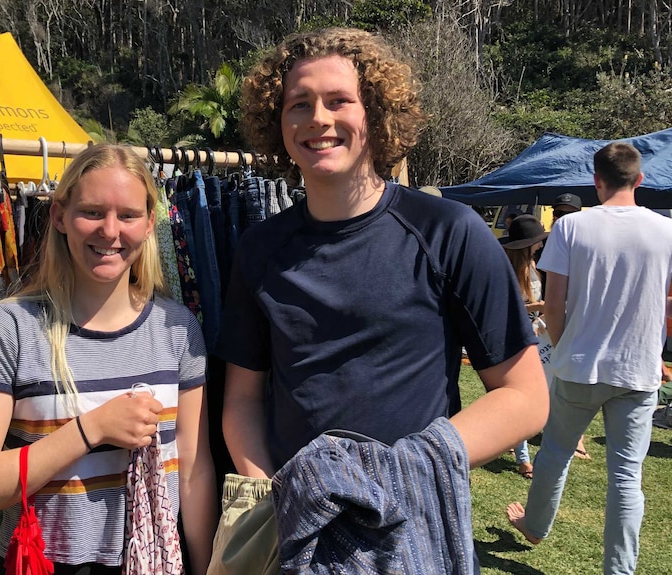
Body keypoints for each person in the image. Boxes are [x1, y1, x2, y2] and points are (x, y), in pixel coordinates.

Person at [215, 26, 548, 568]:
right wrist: (271, 495)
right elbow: (243, 402)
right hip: (299, 526)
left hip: (412, 524)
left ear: (375, 112)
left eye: (338, 101)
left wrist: (399, 471)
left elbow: (526, 397)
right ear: (278, 124)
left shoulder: (449, 231)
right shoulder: (259, 250)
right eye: (298, 103)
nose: (318, 118)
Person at [0, 144, 217, 575]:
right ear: (59, 217)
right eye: (92, 211)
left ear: (150, 224)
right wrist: (91, 430)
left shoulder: (178, 329)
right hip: (44, 564)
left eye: (127, 215)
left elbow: (193, 471)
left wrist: (205, 568)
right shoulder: (10, 328)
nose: (110, 231)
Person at [506, 141, 672, 575]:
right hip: (637, 370)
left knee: (556, 453)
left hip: (579, 363)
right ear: (639, 180)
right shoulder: (666, 231)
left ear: (595, 181)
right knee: (625, 477)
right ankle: (620, 570)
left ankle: (535, 524)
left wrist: (560, 348)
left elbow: (554, 305)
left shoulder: (571, 228)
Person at [501, 214, 549, 479]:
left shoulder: (532, 265)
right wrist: (538, 308)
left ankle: (510, 439)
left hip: (537, 333)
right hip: (520, 335)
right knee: (523, 395)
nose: (541, 245)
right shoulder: (511, 269)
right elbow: (512, 306)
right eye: (537, 241)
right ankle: (523, 459)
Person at [548, 192, 592, 459]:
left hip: (568, 322)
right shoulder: (540, 245)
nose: (560, 218)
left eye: (566, 214)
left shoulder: (584, 248)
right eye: (557, 213)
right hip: (541, 320)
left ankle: (577, 439)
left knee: (569, 383)